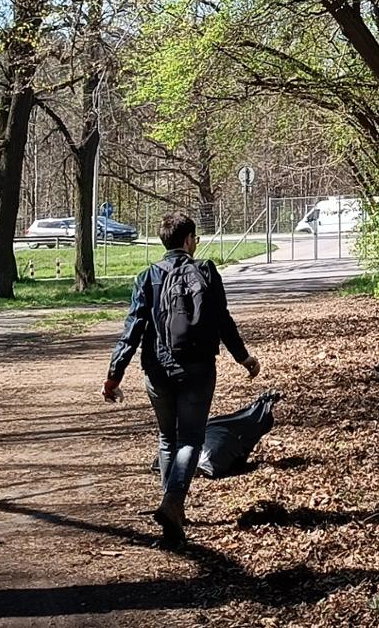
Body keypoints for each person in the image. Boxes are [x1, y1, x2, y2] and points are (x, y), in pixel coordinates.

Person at [102, 212, 260, 544]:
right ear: (188, 240)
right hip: (198, 369)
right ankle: (173, 503)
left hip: (157, 370)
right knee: (191, 440)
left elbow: (132, 330)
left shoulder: (147, 276)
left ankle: (173, 509)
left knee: (166, 440)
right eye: (196, 239)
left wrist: (114, 375)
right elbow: (222, 320)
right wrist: (243, 357)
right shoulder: (205, 271)